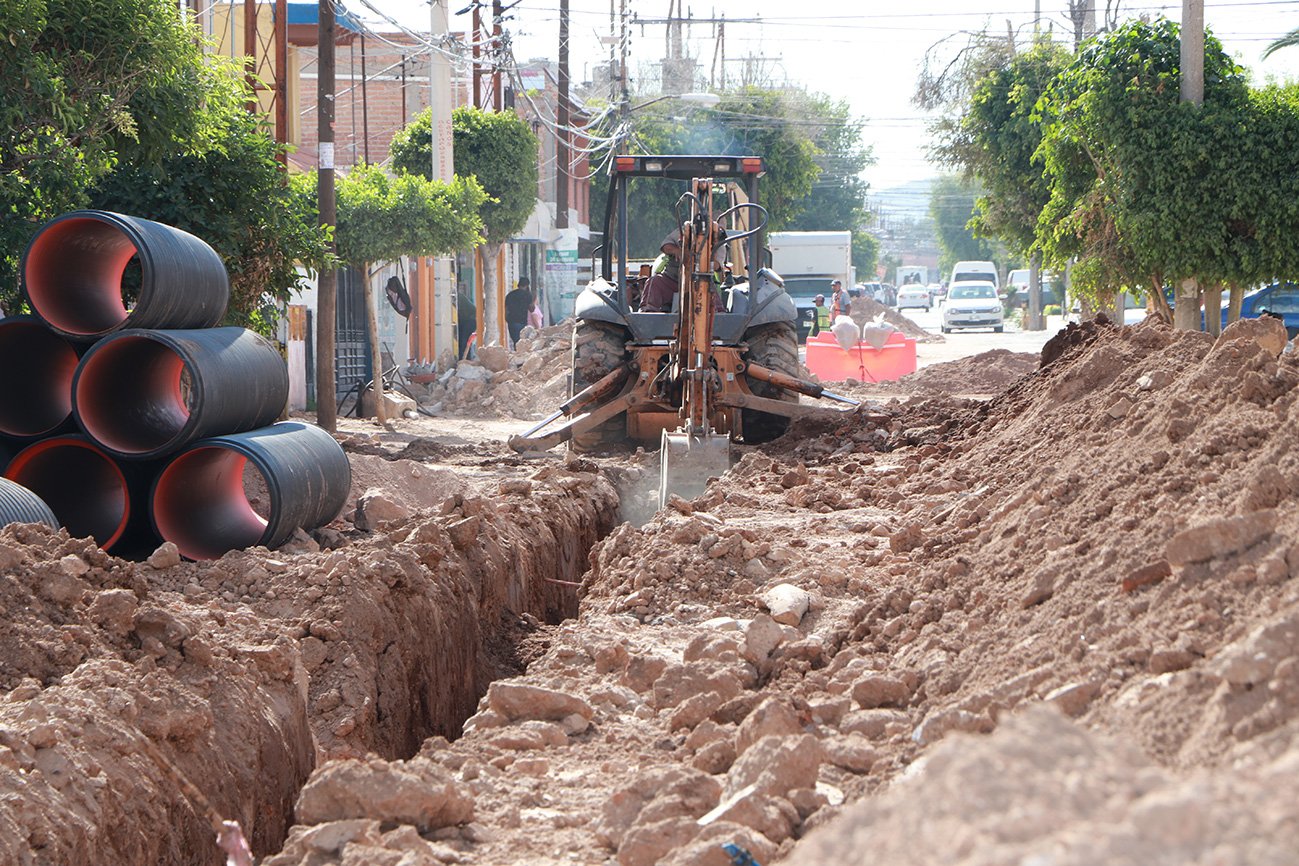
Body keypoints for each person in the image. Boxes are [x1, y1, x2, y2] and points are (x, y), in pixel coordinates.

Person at [640, 224, 727, 313]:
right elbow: (665, 245)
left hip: (700, 284)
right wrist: (677, 251)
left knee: (710, 289)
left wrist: (703, 261)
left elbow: (717, 266)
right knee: (654, 282)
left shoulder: (719, 245)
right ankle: (648, 312)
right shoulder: (685, 231)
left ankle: (719, 315)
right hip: (672, 280)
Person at [504, 276, 533, 348]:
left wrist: (507, 319)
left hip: (512, 322)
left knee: (515, 342)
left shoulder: (510, 295)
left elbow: (506, 309)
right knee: (522, 343)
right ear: (527, 285)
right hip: (522, 322)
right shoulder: (527, 295)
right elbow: (532, 309)